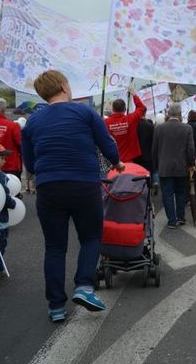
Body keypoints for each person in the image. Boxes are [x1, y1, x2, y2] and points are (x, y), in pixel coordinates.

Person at [22, 70, 124, 322]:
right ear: (63, 86)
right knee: (91, 237)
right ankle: (84, 287)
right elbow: (106, 143)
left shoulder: (32, 121)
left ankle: (56, 306)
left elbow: (31, 164)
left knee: (55, 248)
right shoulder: (85, 112)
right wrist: (117, 163)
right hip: (83, 183)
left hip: (48, 187)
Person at [152, 103, 196, 229]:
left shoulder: (159, 129)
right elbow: (190, 149)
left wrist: (155, 166)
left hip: (164, 167)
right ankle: (181, 217)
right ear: (180, 114)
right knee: (181, 193)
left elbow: (154, 149)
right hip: (182, 167)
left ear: (168, 114)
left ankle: (171, 220)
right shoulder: (187, 128)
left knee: (167, 194)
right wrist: (191, 163)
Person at [0, 143, 17, 280]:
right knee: (0, 243)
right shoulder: (0, 176)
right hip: (0, 218)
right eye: (2, 157)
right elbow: (5, 196)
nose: (5, 161)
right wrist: (13, 204)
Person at [104, 88, 146, 162]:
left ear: (113, 109)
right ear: (125, 109)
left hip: (113, 161)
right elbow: (141, 108)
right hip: (129, 159)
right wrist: (134, 95)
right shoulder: (131, 119)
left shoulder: (105, 123)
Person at [0, 97, 23, 181]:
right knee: (12, 192)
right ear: (3, 109)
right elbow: (21, 145)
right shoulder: (13, 125)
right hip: (10, 166)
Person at [133, 117, 156, 192]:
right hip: (148, 156)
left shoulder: (133, 126)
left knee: (139, 179)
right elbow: (153, 142)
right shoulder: (150, 126)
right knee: (148, 178)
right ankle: (149, 196)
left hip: (137, 157)